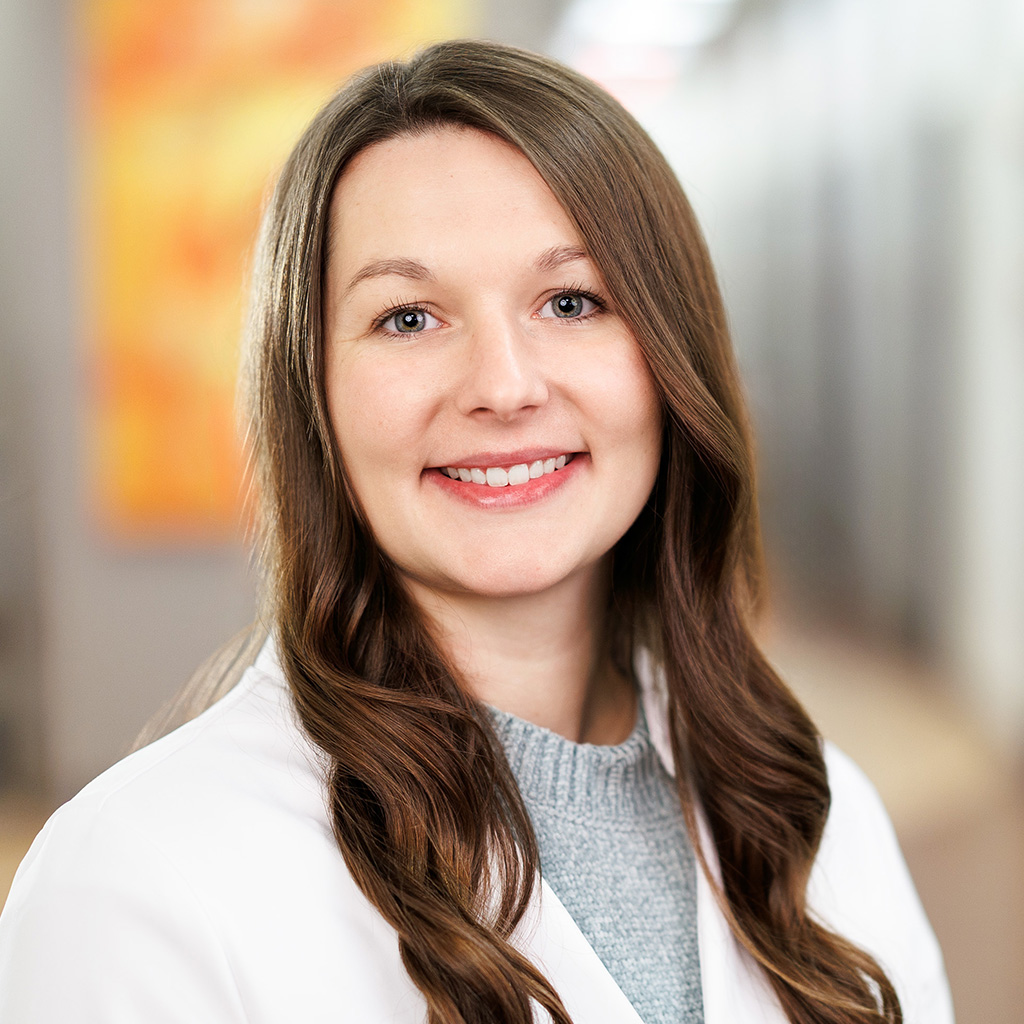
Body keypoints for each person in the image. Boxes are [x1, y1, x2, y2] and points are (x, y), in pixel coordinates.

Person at [0, 39, 953, 1024]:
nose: (503, 386)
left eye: (572, 301)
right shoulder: (133, 887)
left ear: (671, 359)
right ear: (311, 393)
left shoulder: (813, 811)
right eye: (409, 318)